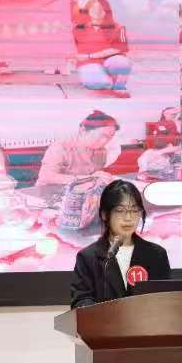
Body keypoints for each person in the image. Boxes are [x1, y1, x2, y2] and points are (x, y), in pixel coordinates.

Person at [70, 179, 171, 308]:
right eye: (120, 210)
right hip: (105, 321)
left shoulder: (156, 255)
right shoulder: (88, 257)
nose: (128, 218)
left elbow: (165, 301)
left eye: (134, 210)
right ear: (105, 214)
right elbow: (81, 300)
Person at [36, 110, 120, 187]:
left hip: (76, 192)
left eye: (110, 137)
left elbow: (94, 175)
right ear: (83, 130)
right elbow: (46, 176)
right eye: (102, 135)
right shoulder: (61, 147)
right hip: (47, 192)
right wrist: (88, 178)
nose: (105, 141)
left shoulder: (101, 151)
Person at [74, 0, 132, 96]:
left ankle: (119, 85)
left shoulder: (118, 27)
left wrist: (90, 56)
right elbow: (71, 49)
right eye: (94, 8)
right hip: (89, 63)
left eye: (101, 8)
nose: (97, 11)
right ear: (88, 11)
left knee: (123, 63)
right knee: (97, 83)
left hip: (108, 61)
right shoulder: (78, 28)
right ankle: (107, 83)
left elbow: (121, 48)